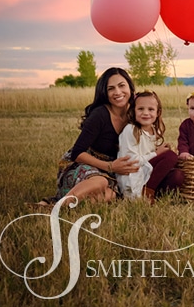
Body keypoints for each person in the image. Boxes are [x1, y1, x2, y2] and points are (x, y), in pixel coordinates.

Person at [39, 67, 140, 205]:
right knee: (100, 181)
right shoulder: (99, 115)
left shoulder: (137, 111)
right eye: (111, 88)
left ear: (130, 86)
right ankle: (57, 206)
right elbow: (77, 153)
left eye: (122, 85)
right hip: (84, 163)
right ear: (105, 92)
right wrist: (110, 166)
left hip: (113, 170)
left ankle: (54, 203)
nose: (117, 92)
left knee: (111, 195)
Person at [117, 90, 184, 203]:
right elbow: (130, 162)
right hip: (133, 177)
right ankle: (147, 194)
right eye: (141, 109)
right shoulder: (131, 130)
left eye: (151, 109)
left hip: (147, 176)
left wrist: (159, 152)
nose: (146, 113)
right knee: (170, 156)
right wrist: (157, 154)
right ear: (134, 111)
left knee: (178, 175)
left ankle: (153, 193)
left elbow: (149, 159)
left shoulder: (154, 131)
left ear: (158, 113)